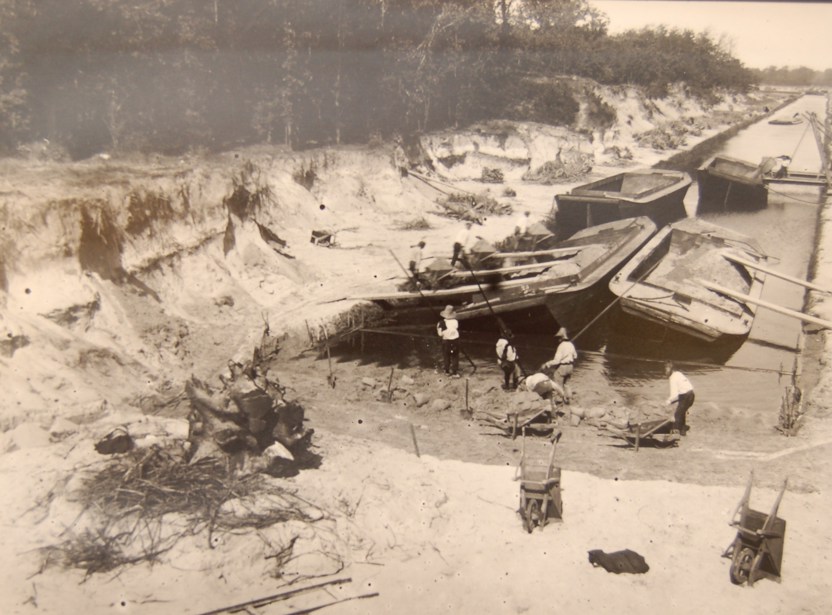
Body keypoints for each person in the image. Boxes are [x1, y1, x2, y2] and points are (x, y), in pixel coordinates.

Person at [541, 327, 577, 403]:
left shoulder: (561, 346)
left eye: (558, 338)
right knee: (567, 384)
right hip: (570, 367)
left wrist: (547, 364)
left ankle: (559, 401)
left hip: (563, 367)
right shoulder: (571, 345)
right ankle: (569, 400)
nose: (557, 340)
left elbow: (557, 361)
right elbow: (575, 356)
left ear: (561, 338)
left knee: (558, 384)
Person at [666, 362, 695, 435]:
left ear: (671, 370)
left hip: (685, 396)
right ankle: (683, 430)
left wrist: (668, 401)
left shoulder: (672, 378)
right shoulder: (679, 373)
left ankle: (676, 432)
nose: (665, 371)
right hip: (692, 395)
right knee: (681, 412)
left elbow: (674, 395)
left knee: (678, 414)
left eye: (667, 369)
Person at [437, 305, 461, 377]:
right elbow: (456, 328)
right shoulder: (455, 322)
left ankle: (447, 371)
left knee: (446, 356)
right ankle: (454, 373)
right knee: (455, 356)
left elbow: (440, 334)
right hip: (455, 341)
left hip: (446, 341)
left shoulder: (440, 323)